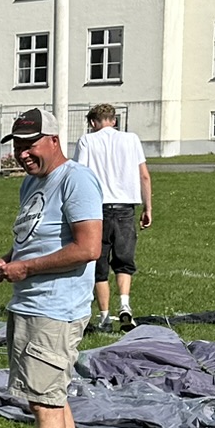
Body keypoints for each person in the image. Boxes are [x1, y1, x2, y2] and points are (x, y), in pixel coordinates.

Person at [0, 107, 102, 428]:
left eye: (30, 144)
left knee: (46, 405)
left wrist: (28, 269)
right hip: (30, 303)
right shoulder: (31, 183)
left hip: (56, 308)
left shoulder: (77, 180)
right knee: (52, 397)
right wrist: (8, 260)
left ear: (54, 140)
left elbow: (88, 248)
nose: (22, 153)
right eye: (17, 145)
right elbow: (34, 238)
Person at [74, 103, 152, 332]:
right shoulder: (131, 139)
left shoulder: (87, 141)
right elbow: (144, 176)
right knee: (124, 261)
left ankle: (105, 317)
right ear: (114, 120)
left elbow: (79, 175)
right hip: (126, 207)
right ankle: (125, 304)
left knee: (99, 264)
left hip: (96, 210)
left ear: (92, 122)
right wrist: (147, 207)